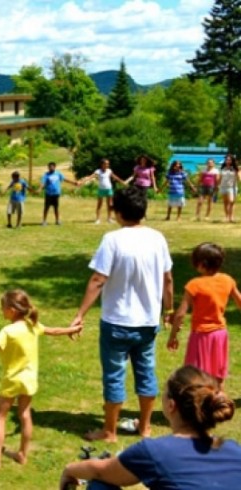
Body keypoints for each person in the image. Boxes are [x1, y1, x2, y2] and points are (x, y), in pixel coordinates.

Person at [70, 186, 173, 442]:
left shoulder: (112, 239)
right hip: (148, 322)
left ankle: (110, 432)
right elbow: (168, 279)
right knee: (146, 372)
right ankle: (145, 427)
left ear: (116, 211)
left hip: (116, 321)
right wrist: (168, 310)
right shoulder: (157, 238)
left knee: (114, 376)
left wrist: (80, 313)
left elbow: (97, 279)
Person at [59, 365, 241, 490]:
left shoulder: (155, 451)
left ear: (171, 406)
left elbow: (99, 470)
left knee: (100, 485)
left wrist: (69, 469)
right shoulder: (234, 450)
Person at [0, 290, 81, 469]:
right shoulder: (32, 325)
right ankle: (22, 454)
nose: (1, 311)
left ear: (12, 310)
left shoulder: (8, 331)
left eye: (3, 308)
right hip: (30, 380)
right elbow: (53, 330)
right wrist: (73, 329)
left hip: (12, 381)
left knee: (0, 417)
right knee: (25, 415)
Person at [168, 243, 241, 392]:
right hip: (220, 335)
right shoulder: (228, 280)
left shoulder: (194, 285)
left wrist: (173, 335)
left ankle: (197, 408)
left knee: (194, 375)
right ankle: (218, 403)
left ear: (201, 264)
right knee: (218, 375)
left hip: (201, 336)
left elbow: (181, 314)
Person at [79, 159, 127, 224]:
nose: (107, 165)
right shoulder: (98, 171)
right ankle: (98, 219)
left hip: (109, 189)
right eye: (106, 164)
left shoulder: (109, 171)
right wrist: (82, 181)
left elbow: (115, 177)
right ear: (102, 164)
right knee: (99, 204)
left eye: (108, 164)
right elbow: (90, 177)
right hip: (101, 189)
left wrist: (122, 182)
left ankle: (109, 219)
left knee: (110, 204)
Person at [217, 154, 240, 222]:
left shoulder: (235, 168)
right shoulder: (222, 168)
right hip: (223, 186)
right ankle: (227, 217)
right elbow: (220, 178)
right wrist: (217, 185)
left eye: (229, 159)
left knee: (231, 201)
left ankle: (231, 216)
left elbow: (239, 177)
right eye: (226, 159)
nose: (227, 161)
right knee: (225, 202)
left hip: (232, 187)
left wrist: (238, 174)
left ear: (232, 160)